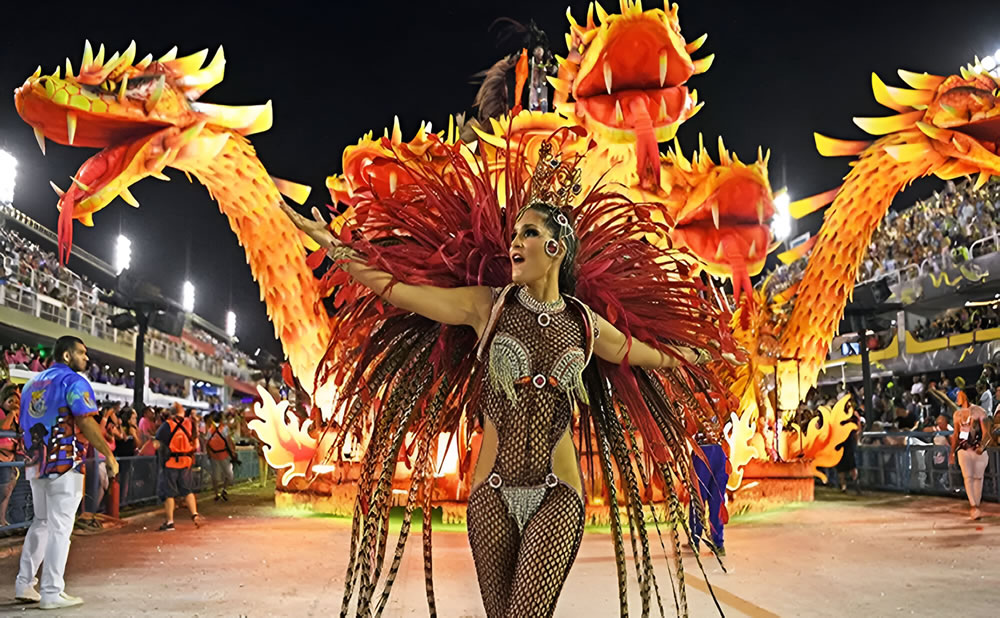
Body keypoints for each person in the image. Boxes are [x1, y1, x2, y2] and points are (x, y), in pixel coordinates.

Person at [284, 153, 724, 617]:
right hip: (490, 494)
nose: (514, 241)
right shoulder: (486, 307)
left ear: (556, 249)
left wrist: (702, 355)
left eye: (528, 233)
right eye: (515, 233)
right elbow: (399, 289)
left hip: (558, 494)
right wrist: (337, 248)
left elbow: (647, 354)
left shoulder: (582, 323)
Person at [14, 336, 118, 609]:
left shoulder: (30, 384)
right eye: (82, 353)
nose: (87, 358)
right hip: (64, 462)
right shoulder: (73, 382)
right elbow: (85, 420)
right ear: (67, 355)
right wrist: (108, 454)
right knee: (60, 528)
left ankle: (24, 584)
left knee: (41, 522)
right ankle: (51, 591)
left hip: (35, 462)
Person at [153, 403, 202, 531]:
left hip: (171, 463)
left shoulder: (167, 425)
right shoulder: (190, 424)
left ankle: (170, 522)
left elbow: (156, 443)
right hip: (186, 462)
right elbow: (195, 442)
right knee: (188, 490)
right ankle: (195, 515)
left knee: (169, 493)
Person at [949, 404, 991, 520]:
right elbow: (956, 435)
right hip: (964, 450)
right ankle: (973, 505)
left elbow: (987, 433)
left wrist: (982, 447)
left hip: (978, 450)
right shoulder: (957, 415)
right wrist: (952, 452)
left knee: (978, 478)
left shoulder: (980, 412)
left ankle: (976, 505)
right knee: (968, 477)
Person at [0, 383, 21, 527]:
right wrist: (12, 413)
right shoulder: (2, 413)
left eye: (16, 401)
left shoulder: (17, 417)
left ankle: (2, 520)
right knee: (3, 489)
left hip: (11, 458)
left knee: (8, 489)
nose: (14, 404)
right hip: (1, 457)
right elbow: (3, 428)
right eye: (10, 401)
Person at [205, 413, 237, 501]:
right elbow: (229, 441)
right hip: (224, 454)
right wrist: (233, 452)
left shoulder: (210, 430)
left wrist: (209, 454)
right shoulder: (224, 428)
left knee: (215, 476)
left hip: (214, 455)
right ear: (221, 419)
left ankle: (217, 493)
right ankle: (224, 490)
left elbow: (206, 443)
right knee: (229, 474)